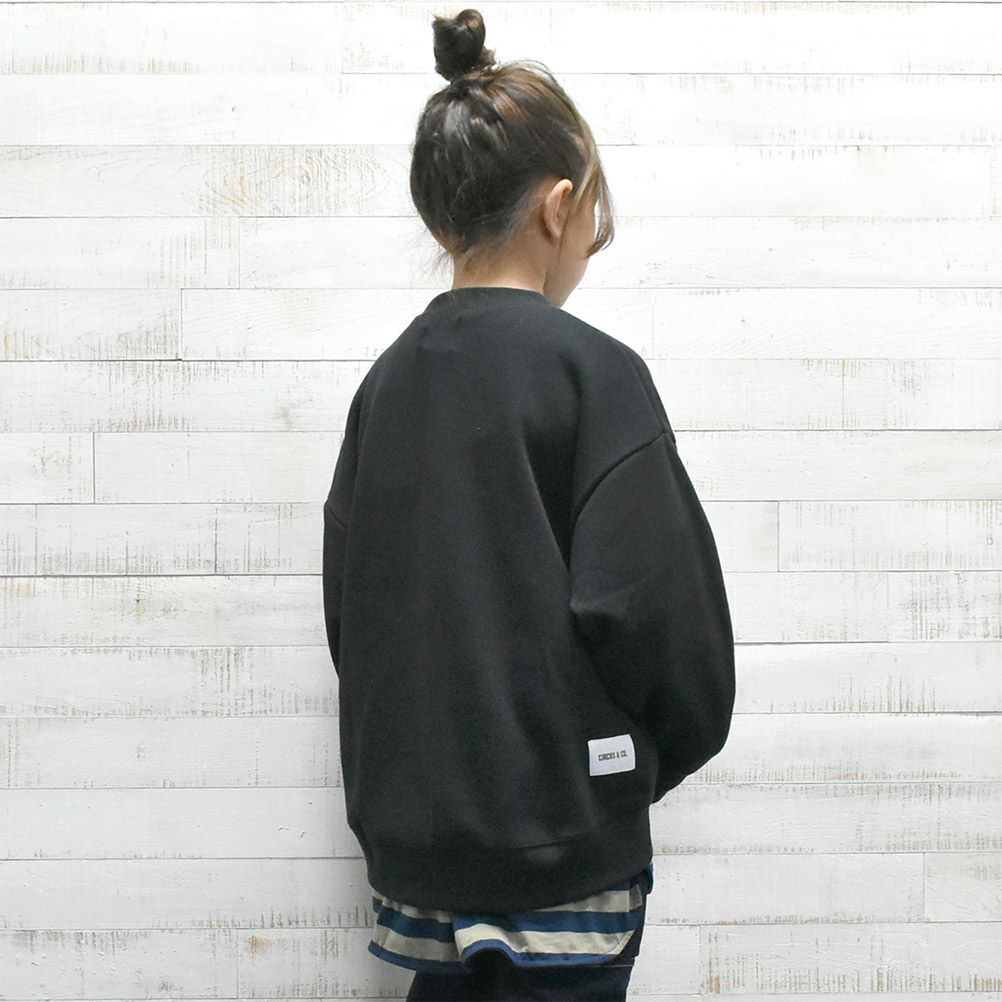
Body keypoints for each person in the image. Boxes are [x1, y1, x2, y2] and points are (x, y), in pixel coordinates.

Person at [321, 8, 737, 1000]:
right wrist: (625, 771)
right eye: (594, 216)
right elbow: (663, 626)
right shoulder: (592, 375)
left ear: (442, 220)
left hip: (418, 861)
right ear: (558, 208)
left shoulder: (385, 388)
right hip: (565, 854)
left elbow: (355, 619)